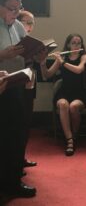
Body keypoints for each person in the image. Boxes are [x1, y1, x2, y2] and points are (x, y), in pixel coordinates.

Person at [0, 0, 36, 198]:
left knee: (16, 136)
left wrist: (38, 56)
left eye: (18, 8)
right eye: (11, 9)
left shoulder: (18, 27)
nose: (15, 13)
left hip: (15, 85)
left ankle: (13, 182)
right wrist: (1, 55)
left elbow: (27, 50)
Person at [40, 33, 86, 156]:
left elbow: (79, 70)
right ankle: (69, 140)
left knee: (73, 107)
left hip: (80, 93)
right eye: (73, 43)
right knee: (63, 104)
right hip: (64, 91)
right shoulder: (62, 58)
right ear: (68, 44)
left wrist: (62, 62)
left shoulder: (84, 56)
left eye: (79, 43)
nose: (76, 45)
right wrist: (42, 63)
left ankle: (74, 134)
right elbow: (47, 75)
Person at [18, 10, 37, 169]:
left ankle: (21, 157)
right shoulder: (14, 39)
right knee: (17, 125)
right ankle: (15, 161)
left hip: (29, 84)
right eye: (28, 22)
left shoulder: (28, 41)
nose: (31, 26)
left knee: (26, 124)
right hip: (17, 86)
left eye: (32, 23)